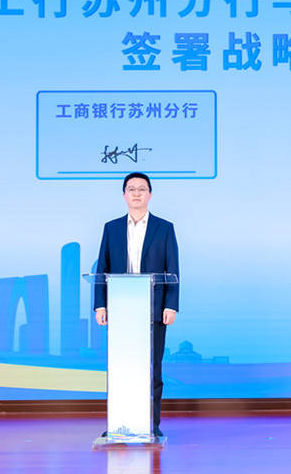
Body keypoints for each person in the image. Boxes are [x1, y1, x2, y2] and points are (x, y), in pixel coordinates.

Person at [94, 172, 179, 437]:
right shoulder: (111, 228)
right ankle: (118, 423)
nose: (137, 193)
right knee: (121, 369)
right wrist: (100, 305)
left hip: (154, 310)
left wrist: (171, 305)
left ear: (150, 195)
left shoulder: (164, 228)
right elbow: (102, 267)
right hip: (121, 309)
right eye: (131, 189)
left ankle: (152, 424)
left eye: (142, 189)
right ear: (124, 195)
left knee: (153, 369)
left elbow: (173, 268)